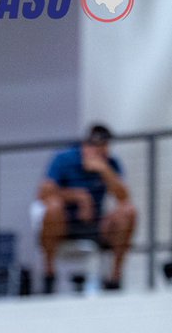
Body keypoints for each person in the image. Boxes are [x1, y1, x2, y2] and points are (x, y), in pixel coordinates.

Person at [36, 123, 136, 291]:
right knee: (53, 207)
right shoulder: (64, 158)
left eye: (103, 147)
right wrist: (79, 197)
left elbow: (123, 197)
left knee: (128, 211)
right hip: (66, 222)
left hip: (96, 223)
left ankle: (114, 278)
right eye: (94, 146)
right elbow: (43, 193)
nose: (99, 151)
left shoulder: (110, 163)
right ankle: (49, 274)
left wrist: (105, 171)